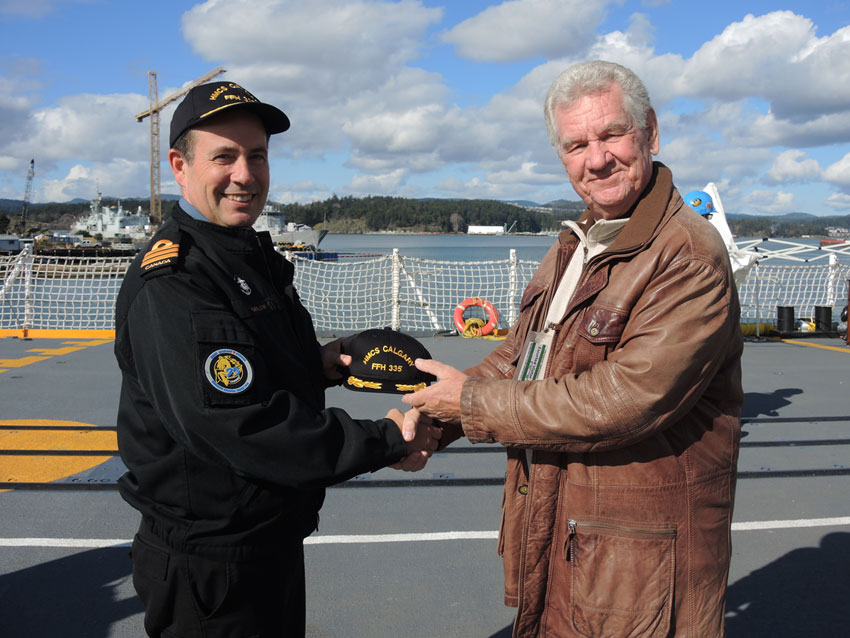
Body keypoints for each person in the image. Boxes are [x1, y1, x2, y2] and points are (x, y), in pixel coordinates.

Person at [403, 60, 743, 637]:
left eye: (611, 134)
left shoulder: (686, 253)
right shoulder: (579, 241)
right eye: (576, 144)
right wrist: (435, 417)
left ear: (650, 132)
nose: (596, 158)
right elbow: (524, 355)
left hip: (639, 560)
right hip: (568, 533)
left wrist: (472, 405)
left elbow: (629, 398)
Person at [114, 80, 439, 637]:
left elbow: (244, 375)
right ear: (179, 166)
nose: (245, 173)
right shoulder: (178, 281)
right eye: (224, 156)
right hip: (213, 566)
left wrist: (323, 365)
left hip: (265, 540)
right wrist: (386, 440)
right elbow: (239, 424)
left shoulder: (243, 259)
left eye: (257, 155)